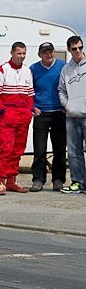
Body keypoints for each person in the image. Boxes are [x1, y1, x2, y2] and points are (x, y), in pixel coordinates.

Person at [0, 41, 34, 195]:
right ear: (12, 53)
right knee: (6, 149)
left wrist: (29, 111)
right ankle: (1, 181)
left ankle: (12, 181)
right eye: (19, 53)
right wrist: (3, 112)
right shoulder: (1, 70)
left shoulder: (27, 71)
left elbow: (30, 95)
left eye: (24, 53)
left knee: (18, 150)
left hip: (23, 117)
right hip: (8, 116)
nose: (22, 56)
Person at [29, 42, 66, 192]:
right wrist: (33, 107)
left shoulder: (63, 66)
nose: (48, 55)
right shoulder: (33, 69)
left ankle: (58, 179)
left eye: (50, 51)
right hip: (41, 113)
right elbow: (28, 90)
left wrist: (67, 105)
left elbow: (69, 87)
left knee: (59, 149)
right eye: (45, 52)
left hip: (59, 113)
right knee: (39, 149)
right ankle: (38, 179)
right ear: (40, 55)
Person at [58, 35, 86, 194]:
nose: (78, 51)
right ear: (69, 50)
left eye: (80, 48)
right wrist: (67, 105)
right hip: (71, 117)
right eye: (74, 49)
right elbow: (61, 90)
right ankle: (78, 183)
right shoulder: (65, 69)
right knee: (74, 153)